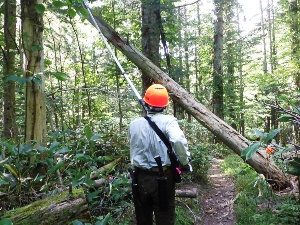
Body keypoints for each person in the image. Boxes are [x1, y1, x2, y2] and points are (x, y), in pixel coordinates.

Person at [128, 83, 191, 225]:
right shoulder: (169, 121)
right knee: (165, 217)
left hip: (140, 177)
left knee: (143, 218)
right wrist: (184, 161)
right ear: (165, 105)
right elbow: (177, 140)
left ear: (145, 102)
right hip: (163, 177)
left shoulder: (134, 124)